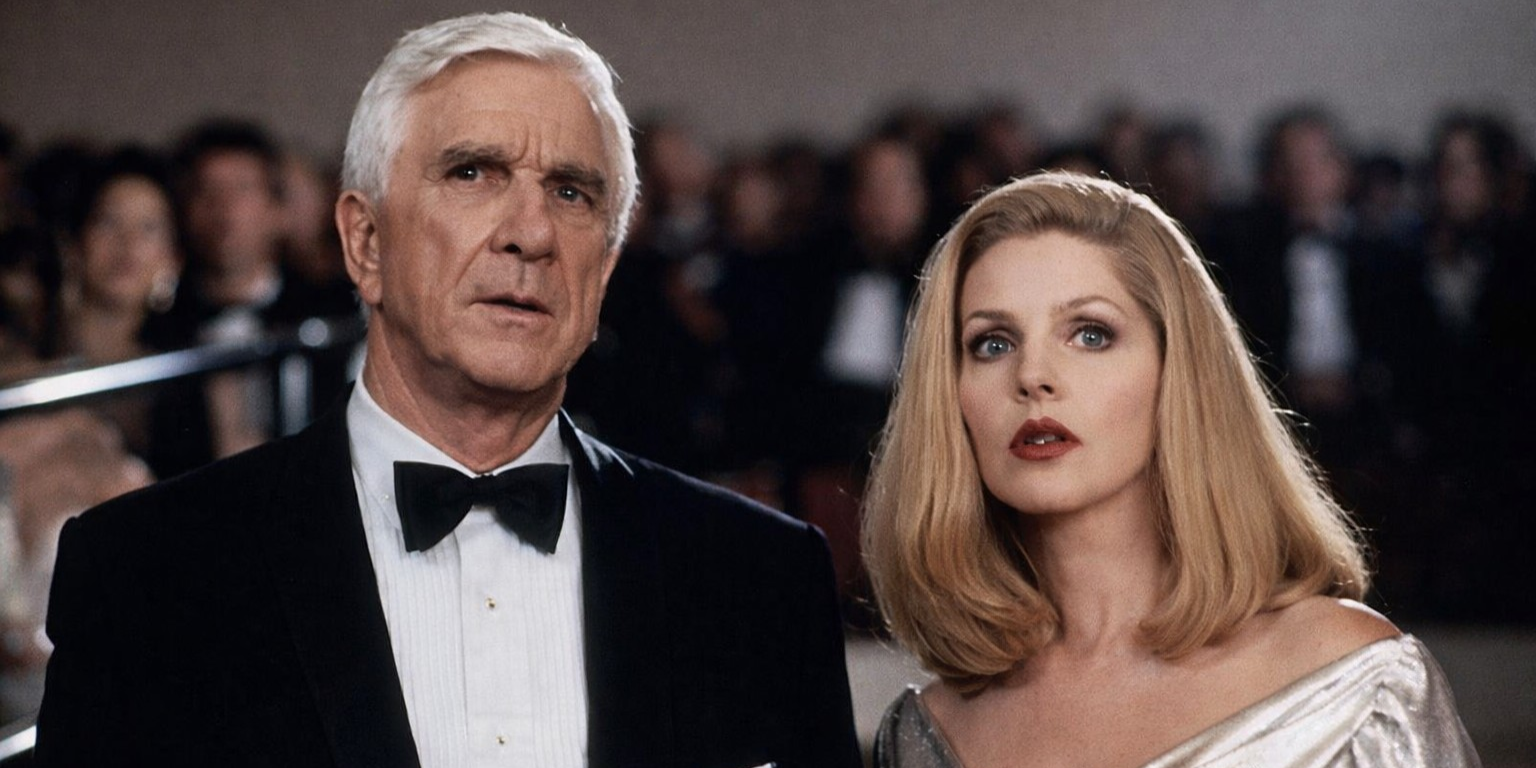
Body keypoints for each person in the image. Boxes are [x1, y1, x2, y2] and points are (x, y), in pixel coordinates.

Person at [35, 12, 860, 768]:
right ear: (365, 242)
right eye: (472, 173)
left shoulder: (759, 577)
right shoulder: (149, 572)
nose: (531, 233)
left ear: (605, 269)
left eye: (571, 192)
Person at [864, 172, 1481, 768]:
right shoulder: (928, 734)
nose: (1032, 376)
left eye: (1090, 334)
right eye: (993, 343)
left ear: (1177, 371)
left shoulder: (1350, 685)